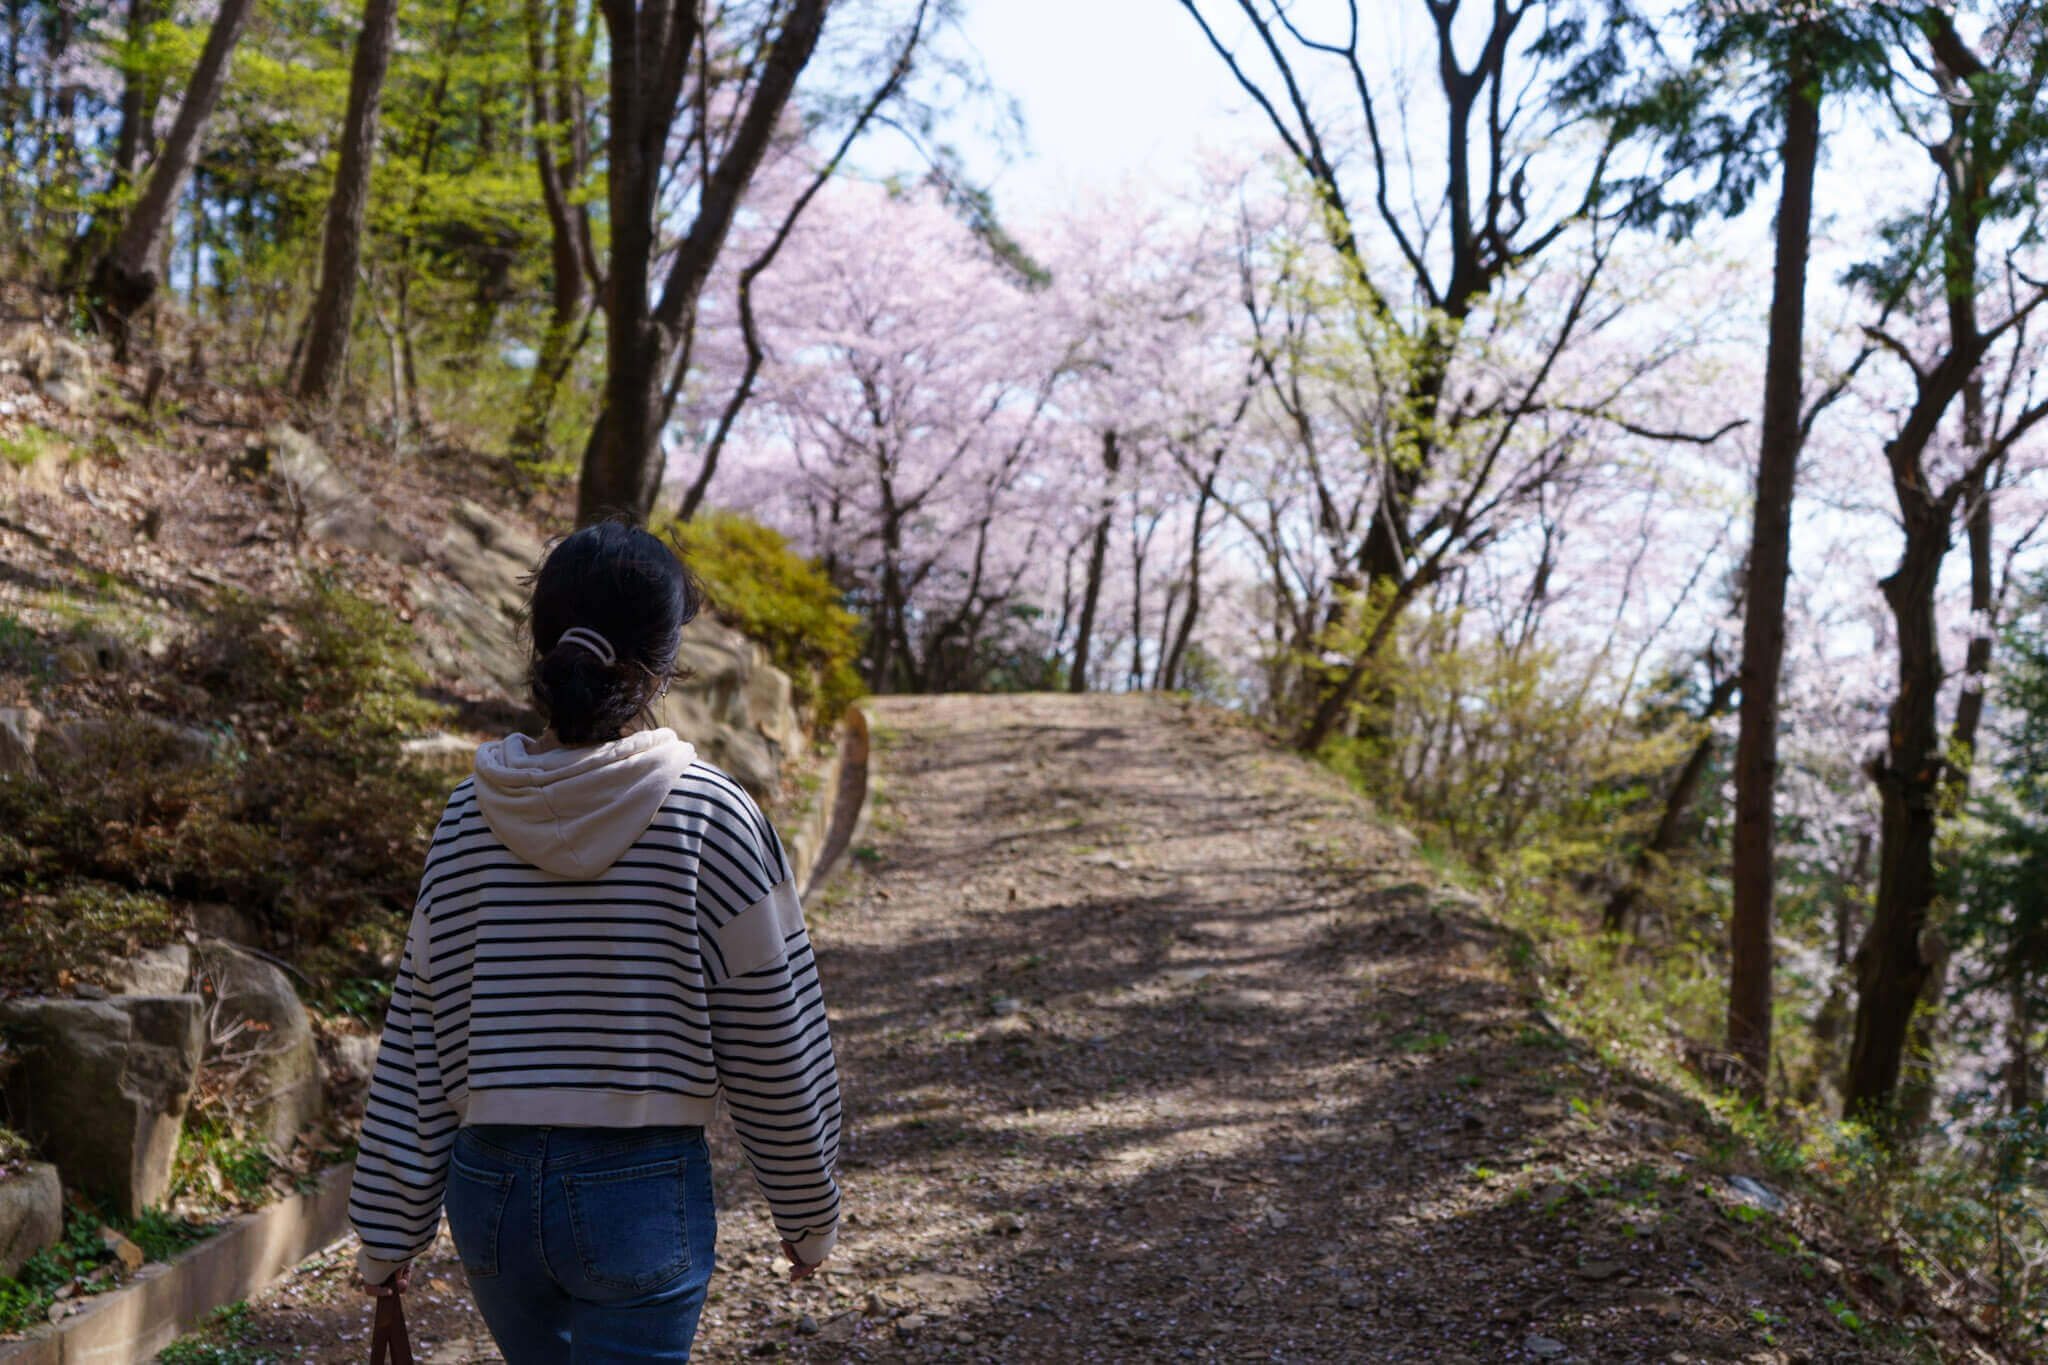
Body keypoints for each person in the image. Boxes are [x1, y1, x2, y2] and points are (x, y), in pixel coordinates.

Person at [346, 520, 842, 1363]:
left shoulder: (468, 818)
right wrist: (807, 1213)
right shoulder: (712, 815)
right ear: (664, 662)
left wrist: (388, 1235)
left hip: (490, 1190)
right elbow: (775, 1033)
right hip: (638, 1189)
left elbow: (420, 1037)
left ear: (541, 648)